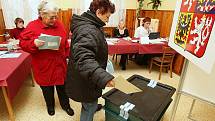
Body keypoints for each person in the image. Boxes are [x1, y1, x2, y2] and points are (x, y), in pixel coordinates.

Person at [19, 1, 74, 116]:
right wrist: (34, 43)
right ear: (41, 14)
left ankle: (66, 105)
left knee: (62, 88)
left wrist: (68, 56)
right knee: (47, 89)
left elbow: (65, 43)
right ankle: (50, 106)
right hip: (43, 65)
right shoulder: (32, 26)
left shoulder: (59, 24)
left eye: (56, 16)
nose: (55, 20)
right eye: (51, 17)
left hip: (60, 64)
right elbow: (22, 43)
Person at [65, 0, 115, 121]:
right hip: (85, 78)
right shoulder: (88, 29)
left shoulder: (92, 24)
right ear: (98, 12)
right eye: (107, 16)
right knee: (89, 105)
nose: (108, 20)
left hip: (87, 76)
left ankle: (91, 105)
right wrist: (104, 78)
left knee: (89, 101)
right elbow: (84, 59)